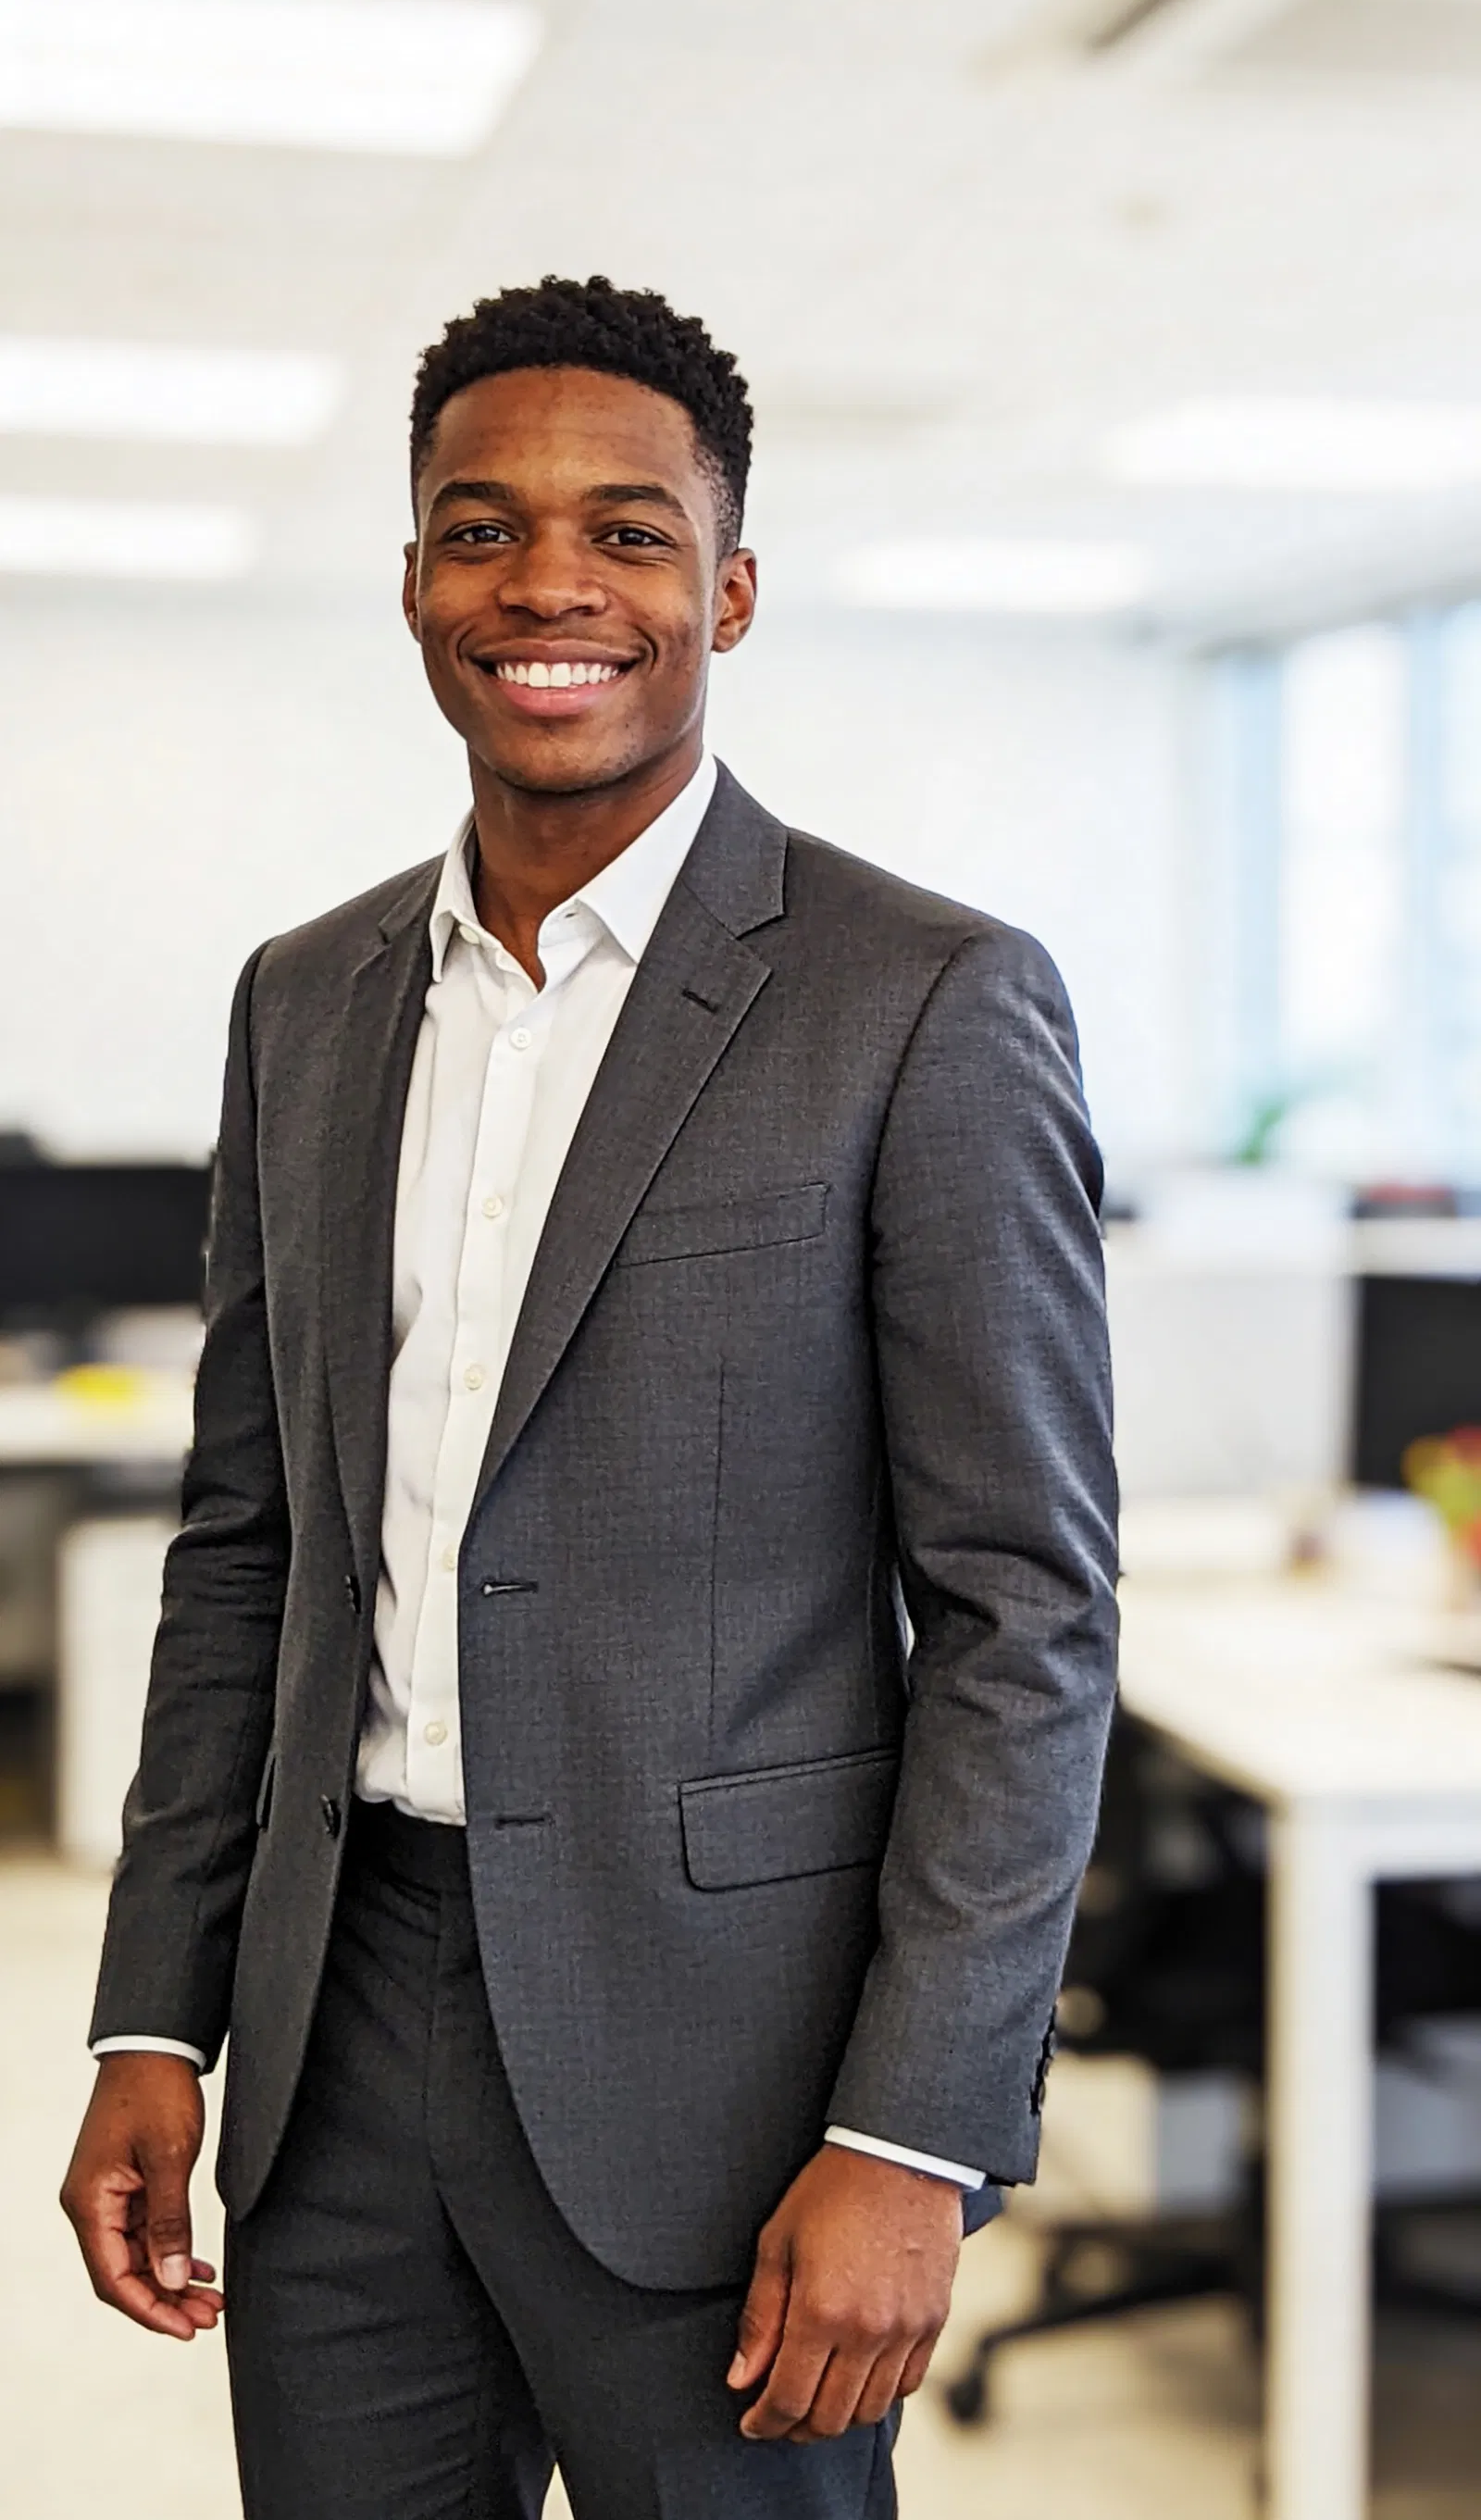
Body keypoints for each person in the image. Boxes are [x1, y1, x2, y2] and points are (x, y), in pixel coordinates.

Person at [61, 275, 1118, 2519]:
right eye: (480, 529)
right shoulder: (307, 1001)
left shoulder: (917, 1000)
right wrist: (156, 2008)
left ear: (724, 589)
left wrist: (910, 2128)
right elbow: (246, 1541)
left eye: (625, 532)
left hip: (725, 2068)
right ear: (417, 585)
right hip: (332, 2037)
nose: (549, 583)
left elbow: (1023, 1611)